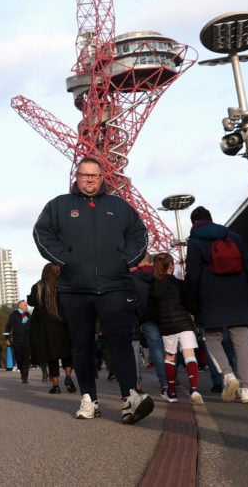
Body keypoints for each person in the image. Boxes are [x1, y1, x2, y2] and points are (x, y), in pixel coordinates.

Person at [33, 156, 153, 424]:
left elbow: (139, 234)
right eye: (85, 175)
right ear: (77, 176)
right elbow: (42, 233)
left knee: (120, 342)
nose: (90, 180)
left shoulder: (119, 206)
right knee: (81, 345)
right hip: (75, 288)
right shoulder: (58, 206)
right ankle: (89, 398)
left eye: (95, 176)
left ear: (102, 178)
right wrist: (67, 259)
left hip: (114, 285)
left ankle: (130, 397)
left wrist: (127, 259)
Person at [185, 206, 248, 403]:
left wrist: (193, 302)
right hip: (240, 293)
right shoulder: (234, 237)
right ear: (211, 218)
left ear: (193, 223)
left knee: (212, 338)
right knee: (242, 342)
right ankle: (245, 389)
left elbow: (193, 275)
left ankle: (228, 374)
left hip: (210, 296)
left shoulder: (195, 241)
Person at [146, 253, 203, 405]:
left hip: (167, 326)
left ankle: (171, 391)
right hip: (184, 323)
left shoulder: (153, 288)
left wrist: (161, 321)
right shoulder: (180, 284)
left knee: (170, 358)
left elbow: (151, 312)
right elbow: (192, 305)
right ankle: (195, 388)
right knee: (189, 355)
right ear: (171, 265)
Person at [28, 265, 76, 394]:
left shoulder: (38, 286)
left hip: (46, 326)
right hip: (63, 322)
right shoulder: (62, 284)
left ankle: (55, 385)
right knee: (67, 353)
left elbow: (32, 302)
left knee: (52, 356)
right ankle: (68, 377)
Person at [130, 254, 169, 398]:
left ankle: (136, 383)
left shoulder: (133, 278)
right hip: (165, 316)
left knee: (154, 348)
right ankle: (167, 381)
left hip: (145, 317)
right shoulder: (160, 274)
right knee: (167, 348)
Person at [5, 300, 33, 385]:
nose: (26, 307)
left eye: (26, 306)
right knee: (18, 357)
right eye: (25, 306)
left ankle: (25, 377)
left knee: (26, 359)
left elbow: (32, 328)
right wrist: (7, 338)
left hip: (27, 340)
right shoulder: (13, 315)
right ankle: (21, 369)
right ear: (20, 306)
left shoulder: (29, 315)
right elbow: (8, 328)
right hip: (16, 340)